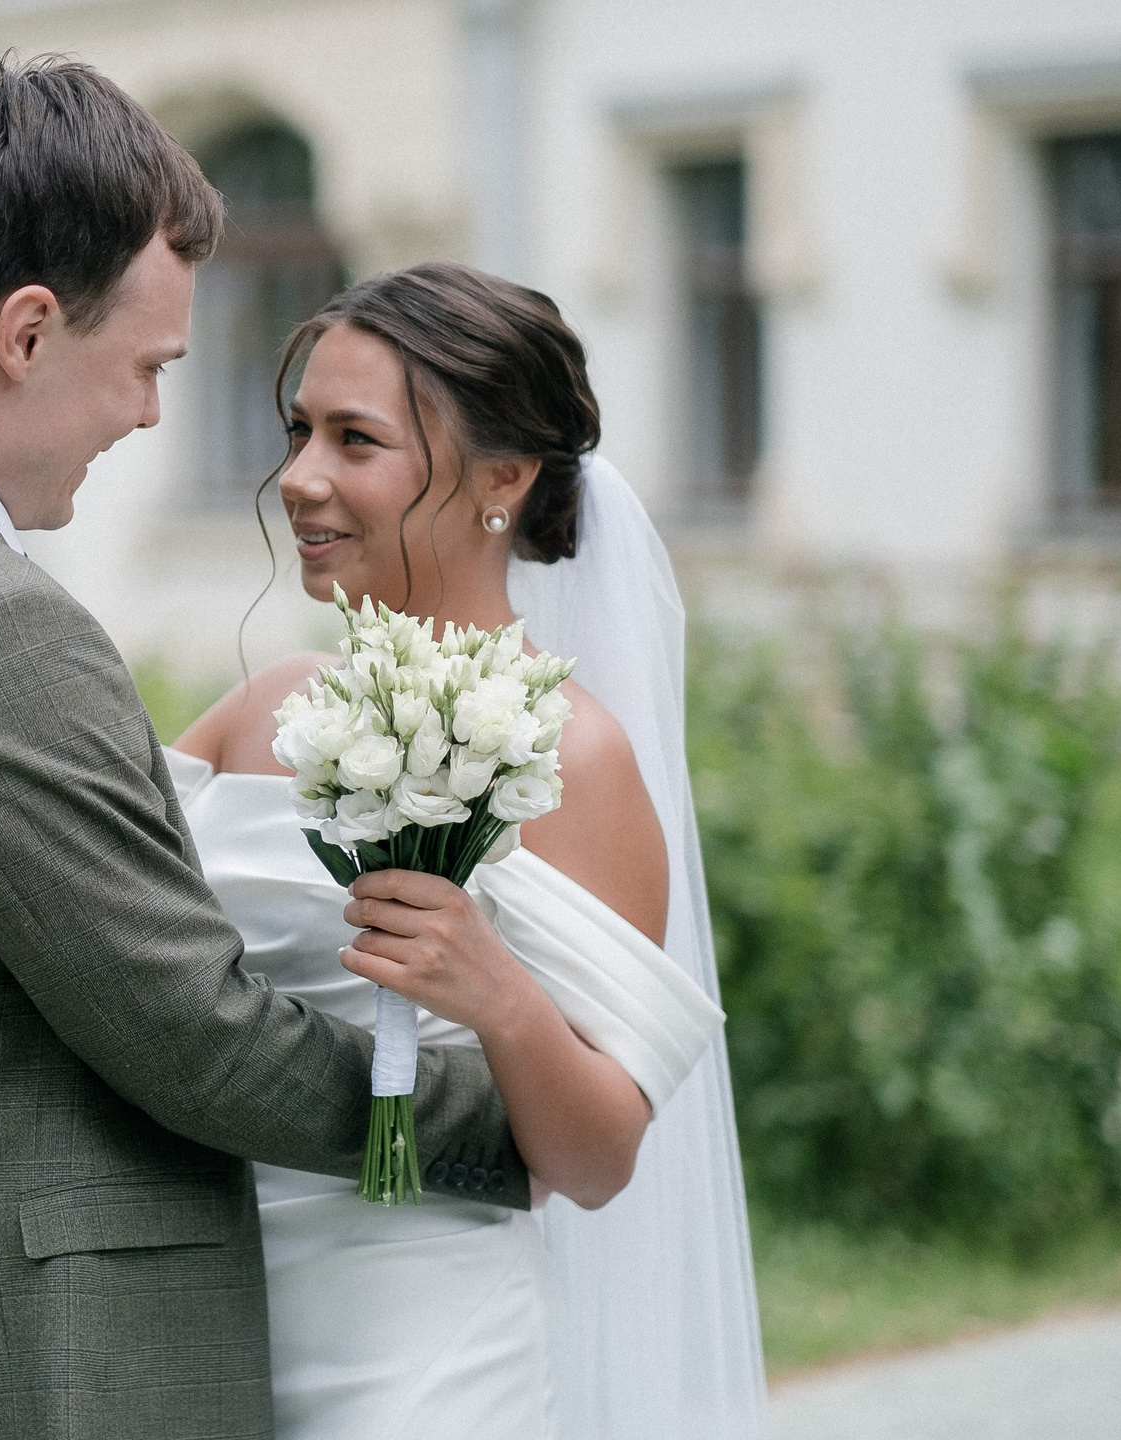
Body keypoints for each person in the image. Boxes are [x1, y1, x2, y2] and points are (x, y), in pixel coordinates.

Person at [0, 56, 534, 1439]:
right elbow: (200, 1041)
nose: (147, 417)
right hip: (52, 1374)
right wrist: (509, 1116)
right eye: (147, 367)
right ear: (24, 334)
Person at [171, 262, 771, 1438]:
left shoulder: (575, 758)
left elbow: (598, 1162)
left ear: (503, 478)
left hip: (419, 1363)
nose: (299, 478)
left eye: (356, 440)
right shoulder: (267, 706)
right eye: (298, 431)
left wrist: (497, 995)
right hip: (200, 1321)